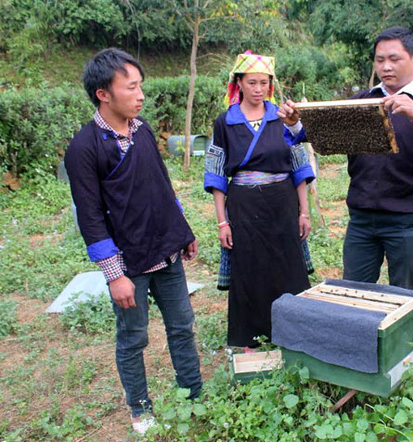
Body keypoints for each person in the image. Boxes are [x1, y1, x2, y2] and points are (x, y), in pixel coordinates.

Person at [65, 48, 202, 435]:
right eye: (132, 87)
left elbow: (162, 186)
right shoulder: (84, 149)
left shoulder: (141, 132)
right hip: (128, 264)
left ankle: (193, 394)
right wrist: (114, 275)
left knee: (182, 326)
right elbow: (90, 218)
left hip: (166, 252)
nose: (140, 95)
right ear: (103, 94)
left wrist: (183, 231)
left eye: (141, 86)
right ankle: (140, 409)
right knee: (133, 337)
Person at [279, 26, 413, 291]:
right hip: (361, 217)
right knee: (354, 289)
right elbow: (315, 132)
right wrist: (295, 123)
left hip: (404, 217)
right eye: (379, 60)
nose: (386, 66)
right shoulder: (363, 101)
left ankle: (408, 334)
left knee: (404, 291)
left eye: (394, 59)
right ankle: (362, 333)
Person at [204, 51, 315, 349]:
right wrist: (222, 221)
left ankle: (293, 335)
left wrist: (303, 212)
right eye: (251, 82)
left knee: (287, 267)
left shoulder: (283, 117)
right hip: (243, 206)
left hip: (282, 203)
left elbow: (299, 166)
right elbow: (215, 174)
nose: (258, 89)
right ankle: (250, 338)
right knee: (249, 270)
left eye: (264, 83)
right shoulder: (225, 122)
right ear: (238, 83)